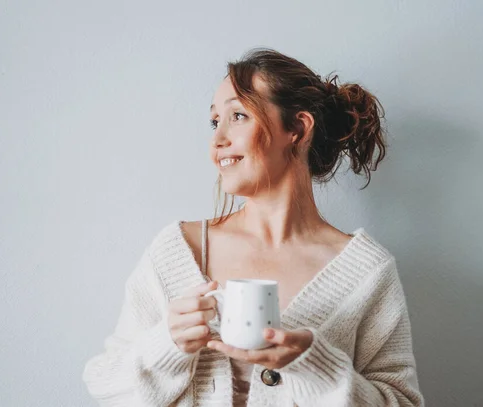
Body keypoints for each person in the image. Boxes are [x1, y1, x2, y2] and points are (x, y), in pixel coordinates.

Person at [82, 47, 424, 407]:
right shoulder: (178, 251)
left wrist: (314, 366)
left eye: (239, 116)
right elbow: (106, 387)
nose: (217, 140)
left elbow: (402, 402)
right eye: (215, 121)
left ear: (297, 128)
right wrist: (167, 345)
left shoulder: (366, 273)